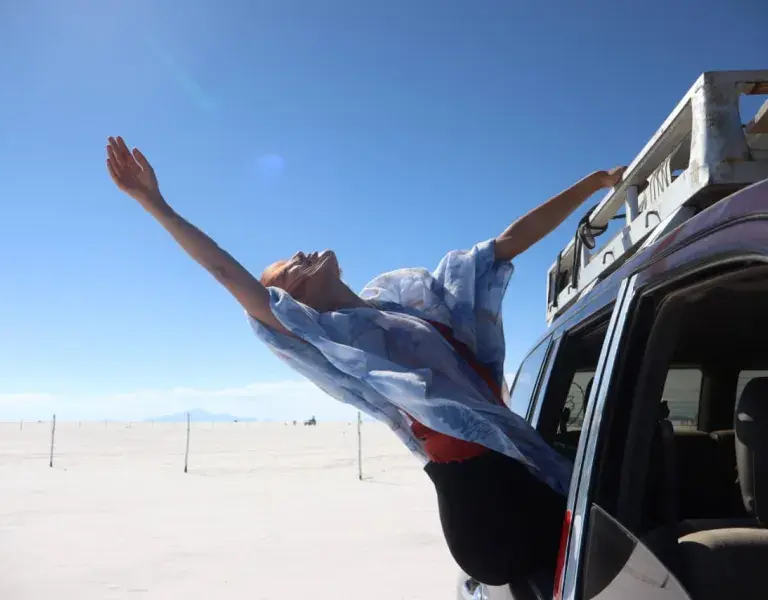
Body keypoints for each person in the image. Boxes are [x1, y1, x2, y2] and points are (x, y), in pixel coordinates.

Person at [105, 135, 625, 585]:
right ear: (292, 305)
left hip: (519, 473)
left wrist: (594, 182)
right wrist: (157, 204)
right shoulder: (332, 341)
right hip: (486, 508)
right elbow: (226, 273)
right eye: (289, 270)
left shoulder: (409, 306)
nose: (300, 256)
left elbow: (505, 246)